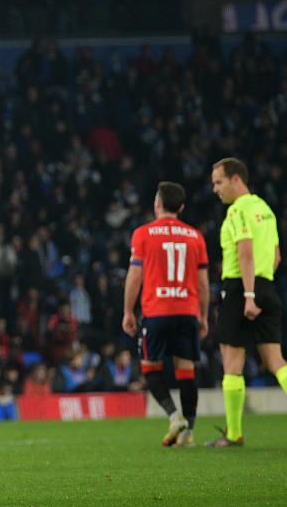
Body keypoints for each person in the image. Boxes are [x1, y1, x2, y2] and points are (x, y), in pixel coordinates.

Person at [120, 181, 209, 447]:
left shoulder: (143, 234)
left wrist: (127, 311)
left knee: (150, 368)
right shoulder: (196, 236)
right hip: (186, 311)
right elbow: (203, 283)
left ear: (157, 204)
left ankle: (174, 416)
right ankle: (189, 433)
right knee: (186, 372)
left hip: (156, 313)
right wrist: (203, 316)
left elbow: (135, 277)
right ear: (181, 207)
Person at [207, 158, 283, 447]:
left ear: (236, 179)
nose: (216, 189)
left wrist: (249, 296)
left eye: (219, 182)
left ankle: (235, 433)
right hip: (266, 285)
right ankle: (234, 432)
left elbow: (245, 252)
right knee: (277, 362)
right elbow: (275, 257)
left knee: (232, 363)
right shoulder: (265, 209)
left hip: (241, 290)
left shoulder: (237, 211)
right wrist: (261, 289)